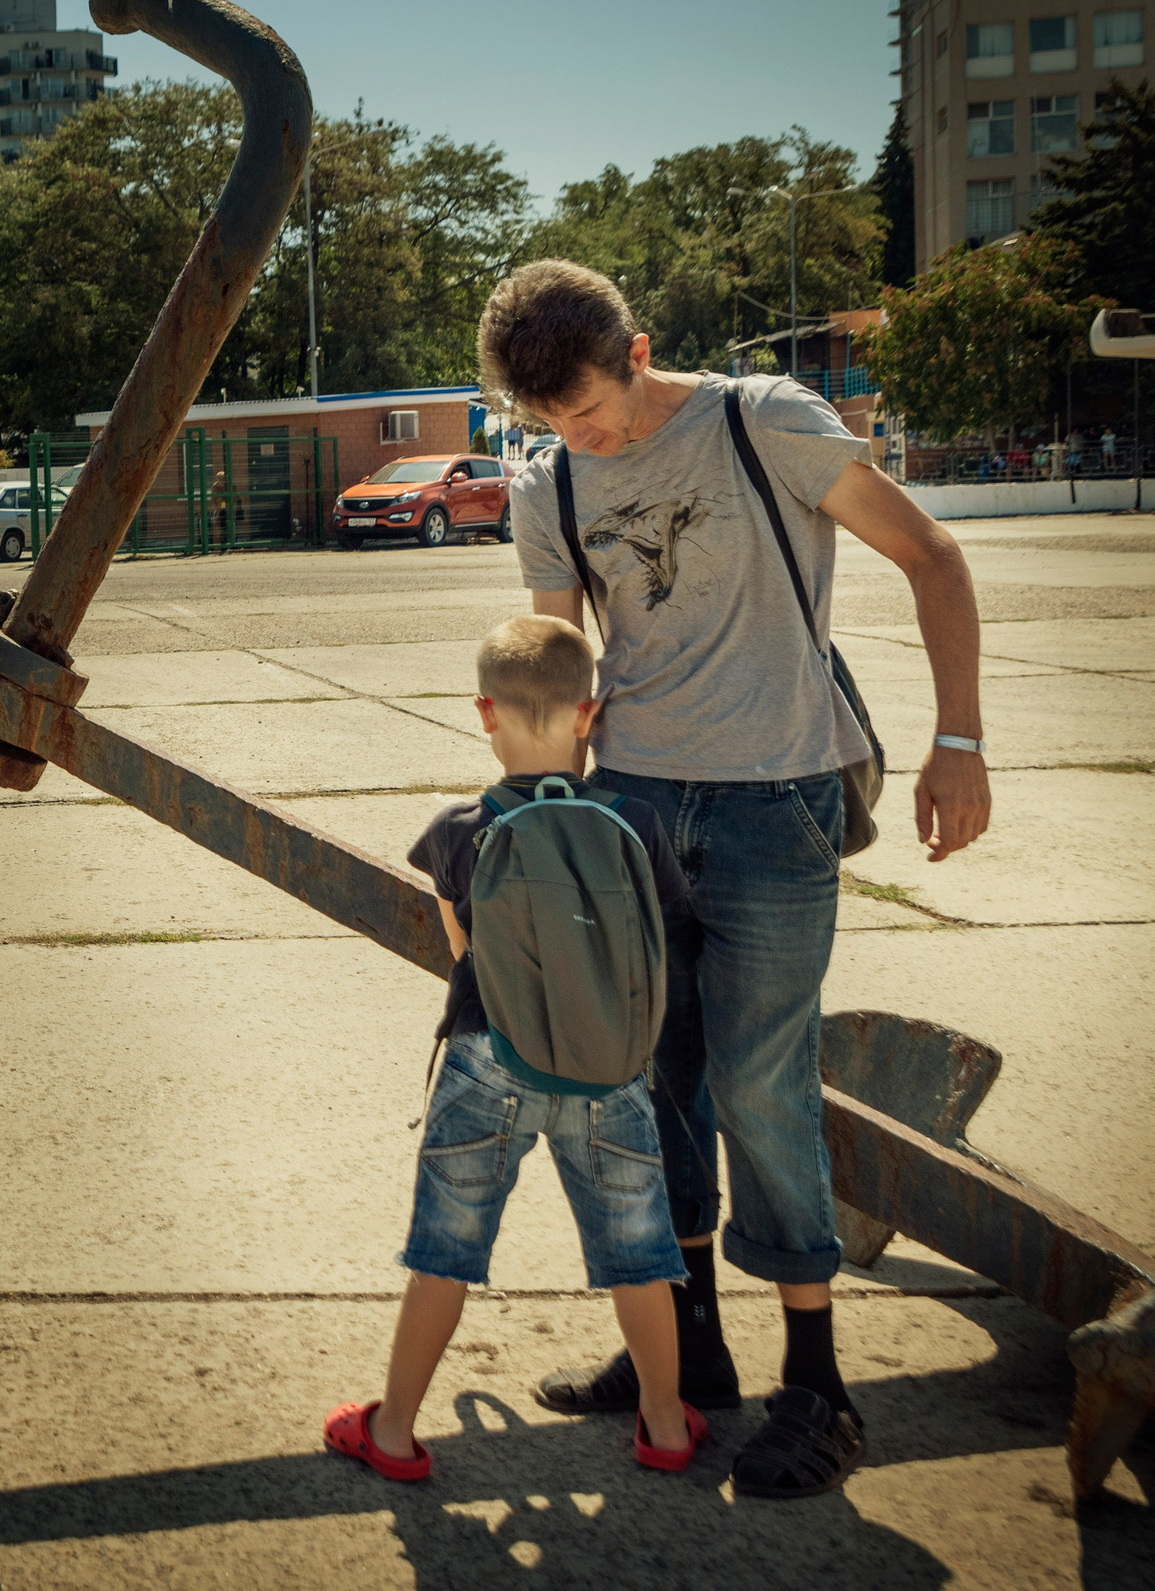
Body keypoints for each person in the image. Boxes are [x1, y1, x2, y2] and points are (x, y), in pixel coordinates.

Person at [478, 261, 991, 1500]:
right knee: (652, 1081)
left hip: (777, 799)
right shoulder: (549, 480)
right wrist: (536, 800)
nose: (579, 438)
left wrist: (959, 739)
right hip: (635, 806)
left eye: (590, 412)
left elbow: (930, 554)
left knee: (763, 1082)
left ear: (639, 348)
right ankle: (688, 1349)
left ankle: (817, 1388)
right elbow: (561, 653)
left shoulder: (765, 419)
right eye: (551, 422)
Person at [325, 615, 707, 1482]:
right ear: (590, 715)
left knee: (444, 1254)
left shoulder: (457, 830)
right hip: (611, 1068)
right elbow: (659, 943)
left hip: (487, 1056)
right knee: (638, 1256)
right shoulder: (638, 822)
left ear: (484, 711)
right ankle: (666, 1425)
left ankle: (390, 1431)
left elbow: (466, 952)